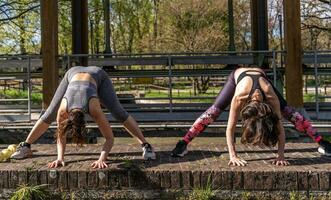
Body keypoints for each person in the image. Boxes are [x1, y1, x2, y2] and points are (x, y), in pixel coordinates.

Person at [171, 66, 331, 165]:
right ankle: (183, 143)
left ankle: (322, 142)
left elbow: (279, 126)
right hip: (237, 78)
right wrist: (232, 156)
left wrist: (281, 155)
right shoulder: (239, 97)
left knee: (292, 115)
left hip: (262, 80)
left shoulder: (271, 97)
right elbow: (230, 128)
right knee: (212, 113)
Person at [11, 66, 156, 168]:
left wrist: (101, 159)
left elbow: (110, 138)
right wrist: (60, 158)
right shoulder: (63, 111)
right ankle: (26, 146)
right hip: (72, 74)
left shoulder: (94, 108)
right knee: (49, 113)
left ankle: (146, 145)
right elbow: (60, 134)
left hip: (98, 75)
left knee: (118, 112)